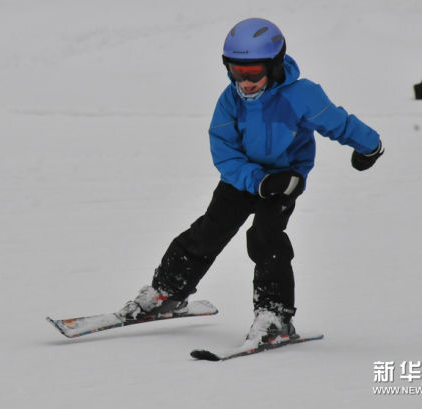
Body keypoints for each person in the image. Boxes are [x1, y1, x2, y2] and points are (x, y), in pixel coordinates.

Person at [117, 18, 383, 344]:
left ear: (274, 65)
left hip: (285, 178)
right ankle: (166, 293)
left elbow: (339, 122)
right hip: (242, 178)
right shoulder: (229, 101)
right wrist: (256, 180)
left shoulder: (302, 96)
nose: (244, 82)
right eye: (235, 71)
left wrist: (370, 147)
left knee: (265, 237)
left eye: (252, 72)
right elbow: (224, 152)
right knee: (207, 233)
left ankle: (275, 315)